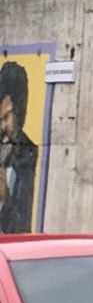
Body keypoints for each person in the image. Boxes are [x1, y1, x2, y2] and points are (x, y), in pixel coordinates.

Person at [0, 61, 37, 235]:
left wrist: (5, 197)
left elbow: (23, 229)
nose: (3, 127)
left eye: (7, 117)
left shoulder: (27, 155)